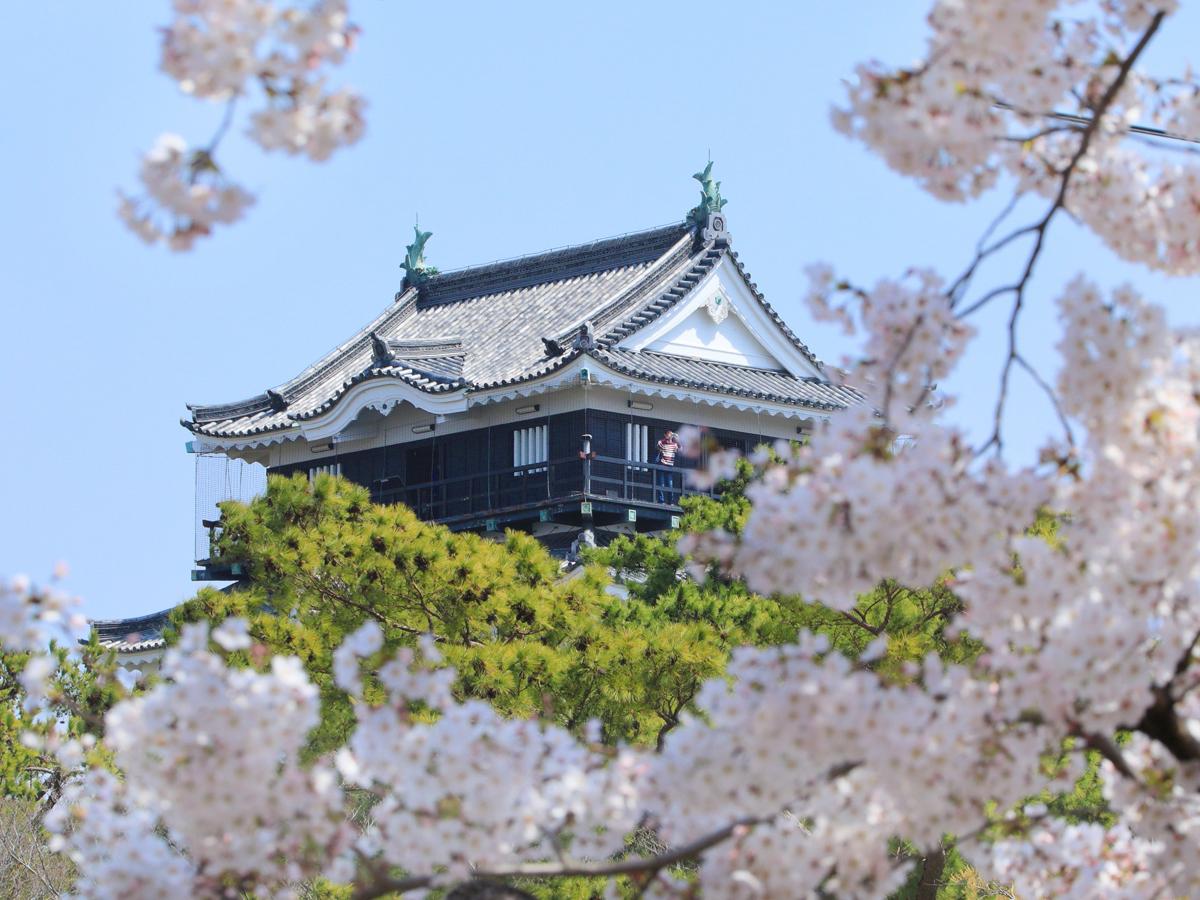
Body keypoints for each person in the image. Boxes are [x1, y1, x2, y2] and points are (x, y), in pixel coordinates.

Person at [656, 429, 680, 504]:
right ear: (665, 435)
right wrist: (666, 439)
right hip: (662, 465)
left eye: (671, 434)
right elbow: (659, 446)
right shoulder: (662, 442)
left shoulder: (674, 445)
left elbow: (680, 449)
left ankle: (671, 502)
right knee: (661, 484)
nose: (670, 436)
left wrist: (677, 439)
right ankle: (661, 500)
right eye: (668, 434)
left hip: (670, 466)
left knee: (670, 485)